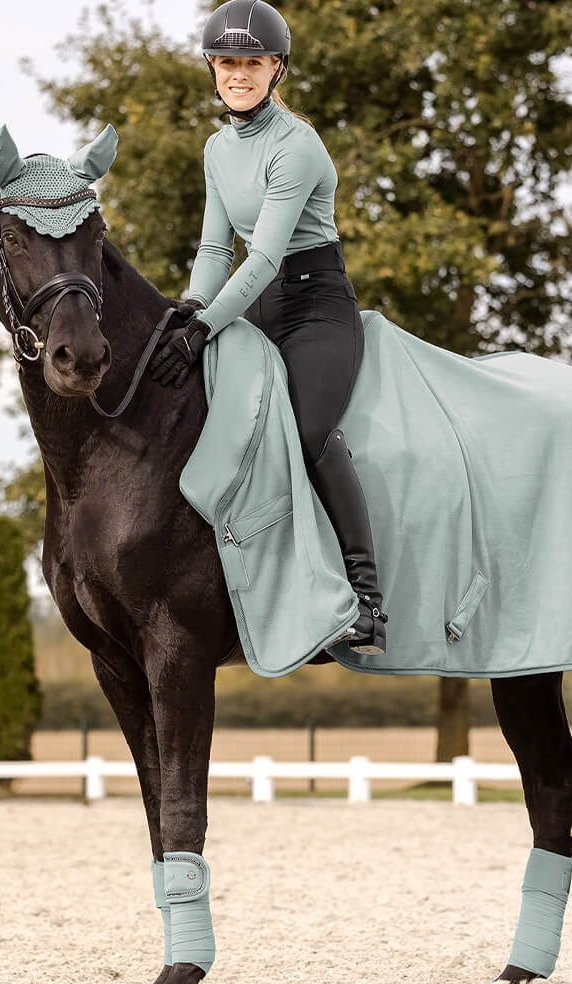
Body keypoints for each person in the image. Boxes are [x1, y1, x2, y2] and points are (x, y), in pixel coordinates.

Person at [148, 0, 388, 654]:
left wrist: (208, 324)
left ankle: (365, 601)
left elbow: (264, 257)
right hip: (249, 308)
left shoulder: (297, 146)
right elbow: (214, 251)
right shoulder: (217, 149)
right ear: (212, 69)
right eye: (226, 62)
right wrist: (190, 313)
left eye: (251, 62)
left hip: (316, 306)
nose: (238, 74)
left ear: (276, 68)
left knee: (306, 430)